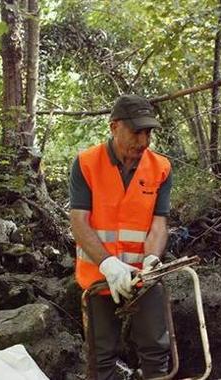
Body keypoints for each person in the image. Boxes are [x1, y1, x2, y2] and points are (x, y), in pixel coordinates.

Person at [69, 94, 172, 379]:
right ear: (114, 127)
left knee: (155, 349)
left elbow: (159, 223)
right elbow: (79, 221)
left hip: (143, 277)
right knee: (100, 358)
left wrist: (152, 259)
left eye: (148, 132)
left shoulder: (160, 168)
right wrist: (108, 264)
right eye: (136, 132)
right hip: (99, 276)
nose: (143, 141)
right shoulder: (87, 163)